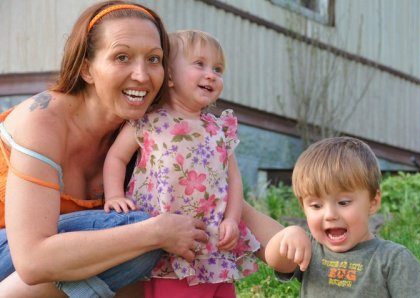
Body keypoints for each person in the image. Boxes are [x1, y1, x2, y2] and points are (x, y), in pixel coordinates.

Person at [0, 2, 211, 297]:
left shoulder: (148, 128)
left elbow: (214, 191)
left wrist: (286, 240)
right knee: (140, 233)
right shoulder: (43, 120)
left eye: (153, 59)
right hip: (10, 260)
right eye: (121, 57)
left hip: (45, 274)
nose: (141, 74)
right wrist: (155, 233)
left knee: (144, 237)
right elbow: (32, 261)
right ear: (86, 68)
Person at [103, 29, 260, 298]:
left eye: (218, 69)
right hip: (168, 242)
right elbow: (116, 157)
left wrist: (233, 219)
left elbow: (234, 178)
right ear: (170, 76)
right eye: (199, 64)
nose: (211, 74)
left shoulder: (218, 128)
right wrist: (114, 195)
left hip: (213, 241)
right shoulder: (149, 120)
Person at [265, 137, 420, 298]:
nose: (330, 215)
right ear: (303, 207)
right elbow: (276, 262)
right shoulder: (310, 250)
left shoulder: (391, 258)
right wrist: (288, 234)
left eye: (343, 202)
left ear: (373, 202)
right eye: (316, 206)